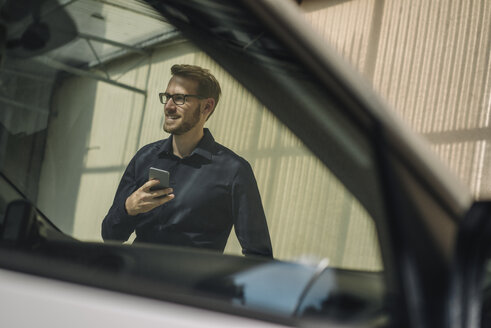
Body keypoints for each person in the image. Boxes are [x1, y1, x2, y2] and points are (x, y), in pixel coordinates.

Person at [102, 64, 273, 257]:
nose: (168, 106)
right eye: (167, 97)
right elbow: (110, 235)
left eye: (180, 98)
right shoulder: (145, 157)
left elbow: (258, 254)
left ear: (207, 106)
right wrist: (128, 209)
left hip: (190, 285)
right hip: (135, 281)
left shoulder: (234, 170)